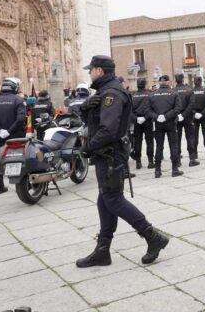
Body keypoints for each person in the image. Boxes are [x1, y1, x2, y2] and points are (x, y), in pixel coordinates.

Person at [76, 55, 170, 268]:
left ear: (99, 70)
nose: (89, 73)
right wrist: (85, 106)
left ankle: (152, 236)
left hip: (111, 154)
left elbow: (108, 129)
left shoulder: (111, 93)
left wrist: (86, 148)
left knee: (113, 200)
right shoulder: (104, 91)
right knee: (105, 199)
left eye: (91, 70)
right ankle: (102, 251)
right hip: (106, 154)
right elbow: (93, 120)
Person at [0, 78, 27, 194]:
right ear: (15, 88)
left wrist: (0, 131)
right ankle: (22, 183)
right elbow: (20, 119)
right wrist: (9, 131)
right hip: (16, 135)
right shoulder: (18, 100)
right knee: (19, 156)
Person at [148, 75, 183, 178]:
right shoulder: (174, 93)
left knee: (159, 146)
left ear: (159, 83)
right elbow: (178, 108)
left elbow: (148, 110)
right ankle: (174, 169)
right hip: (171, 122)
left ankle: (157, 170)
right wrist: (167, 116)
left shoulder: (152, 94)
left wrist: (157, 117)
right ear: (168, 82)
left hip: (158, 123)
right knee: (173, 145)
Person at [173, 73, 197, 166]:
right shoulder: (189, 90)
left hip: (176, 117)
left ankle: (178, 160)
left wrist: (178, 115)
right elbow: (191, 105)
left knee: (176, 139)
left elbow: (172, 105)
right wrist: (184, 115)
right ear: (183, 79)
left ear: (175, 80)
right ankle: (192, 159)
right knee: (190, 137)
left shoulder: (172, 91)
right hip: (187, 117)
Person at [131, 78, 155, 169]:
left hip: (137, 122)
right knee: (149, 141)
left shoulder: (133, 96)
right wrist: (145, 118)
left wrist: (136, 118)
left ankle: (138, 162)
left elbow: (130, 111)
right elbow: (152, 109)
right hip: (147, 120)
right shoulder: (150, 95)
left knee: (137, 142)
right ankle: (150, 162)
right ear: (145, 85)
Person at [190, 76, 205, 159]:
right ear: (201, 82)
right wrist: (202, 113)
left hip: (194, 116)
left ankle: (195, 153)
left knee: (194, 135)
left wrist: (195, 113)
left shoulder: (191, 91)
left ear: (194, 82)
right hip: (204, 115)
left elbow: (189, 104)